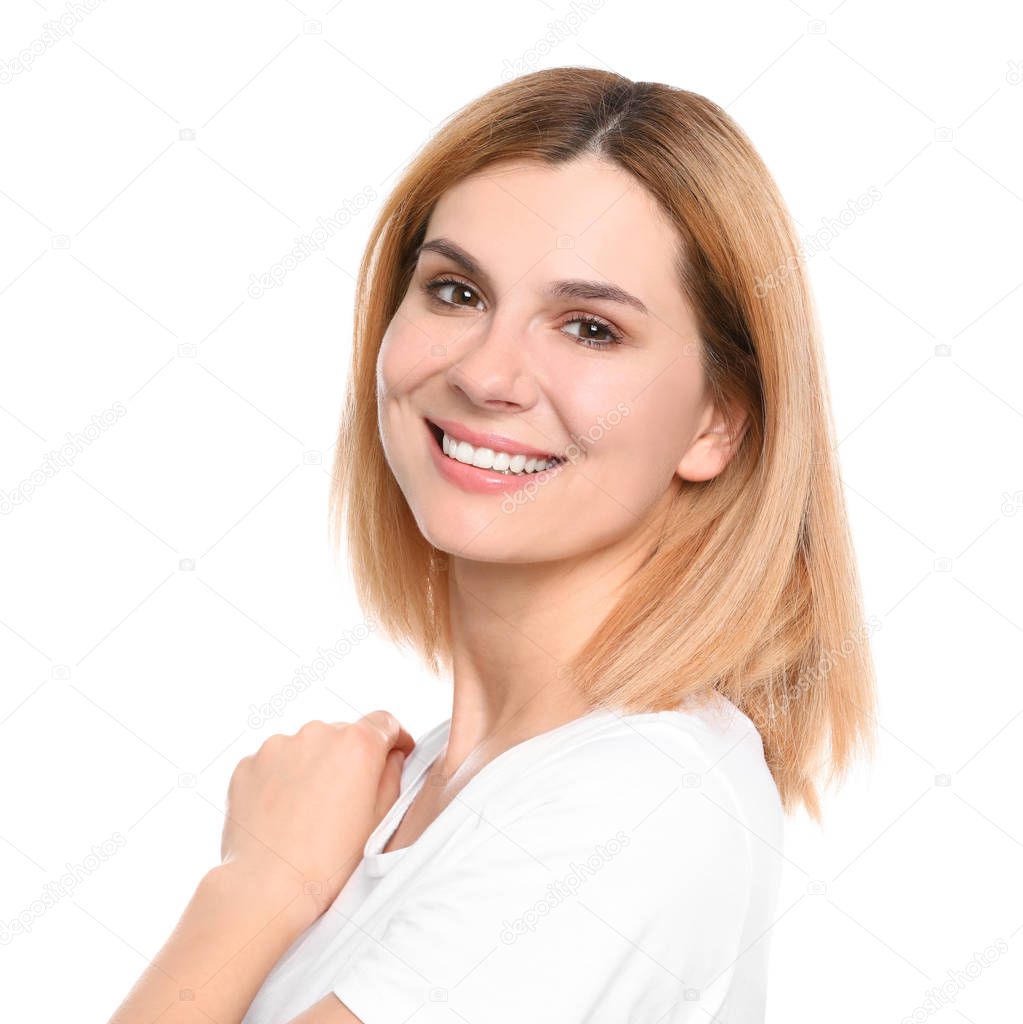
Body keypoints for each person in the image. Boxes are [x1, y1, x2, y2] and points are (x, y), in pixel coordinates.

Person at [107, 67, 877, 1024]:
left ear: (715, 424)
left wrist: (251, 889)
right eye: (456, 291)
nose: (486, 372)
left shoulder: (630, 807)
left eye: (590, 328)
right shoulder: (442, 784)